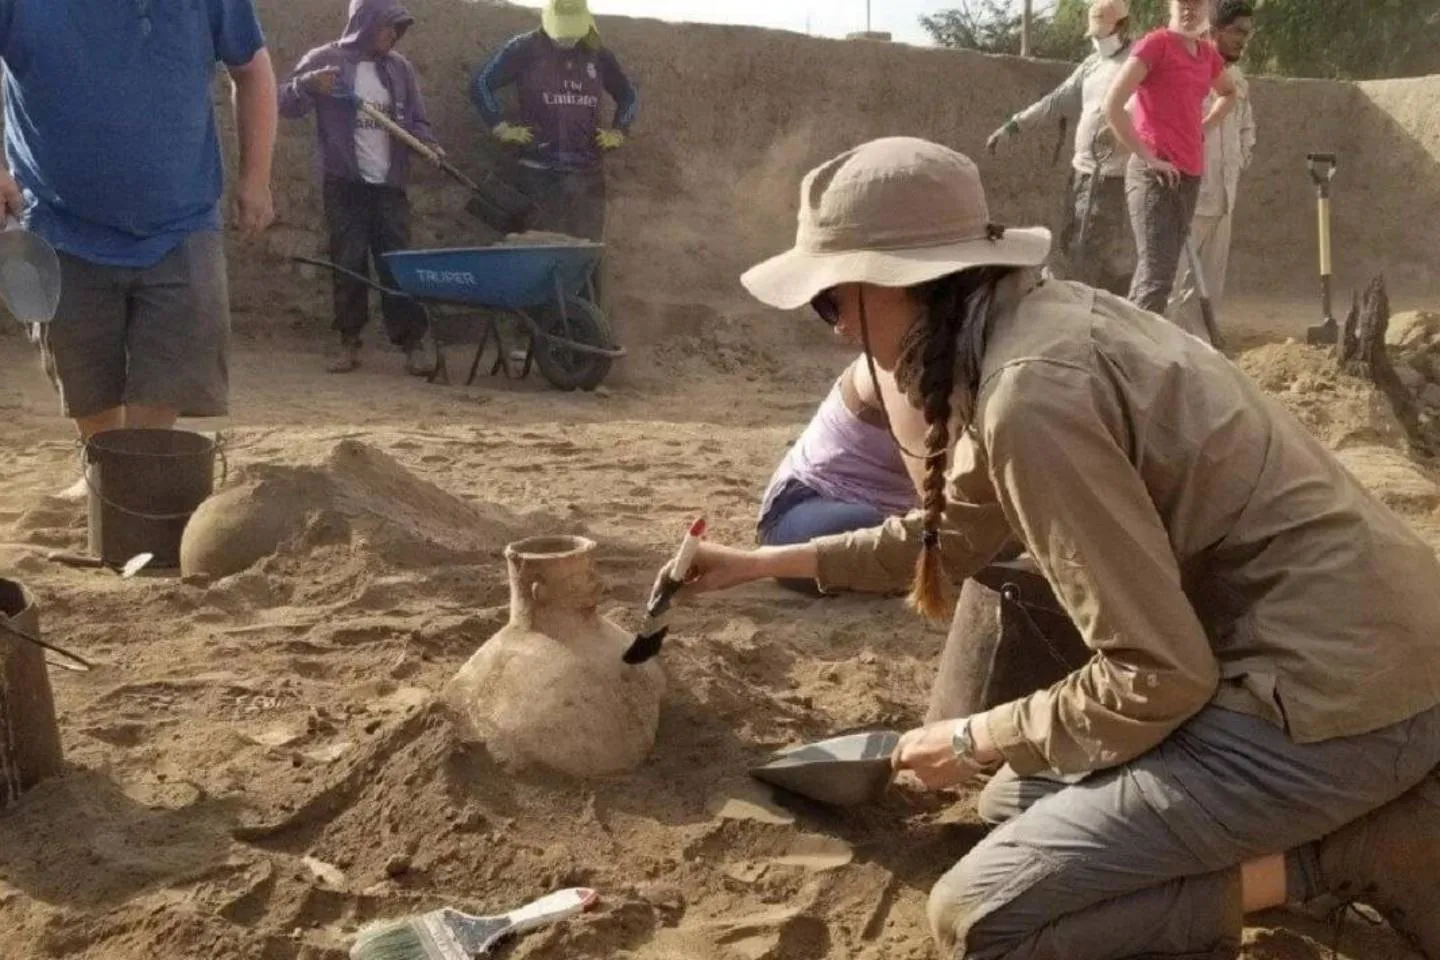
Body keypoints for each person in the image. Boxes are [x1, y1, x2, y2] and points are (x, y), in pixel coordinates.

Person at [674, 137, 1440, 959]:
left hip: (1341, 705)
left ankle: (1343, 857)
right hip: (1346, 658)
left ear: (908, 285)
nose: (837, 333)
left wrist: (969, 737)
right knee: (1014, 802)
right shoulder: (1028, 325)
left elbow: (1155, 675)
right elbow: (939, 540)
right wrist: (755, 565)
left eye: (835, 302)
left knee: (984, 917)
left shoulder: (1032, 396)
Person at [0, 0, 277, 496]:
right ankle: (106, 466)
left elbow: (252, 70)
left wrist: (257, 179)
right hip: (60, 220)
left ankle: (135, 465)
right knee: (81, 369)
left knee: (173, 364)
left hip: (181, 219)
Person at [280, 0, 440, 377]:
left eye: (397, 28)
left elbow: (417, 120)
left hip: (389, 183)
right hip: (345, 184)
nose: (393, 35)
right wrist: (307, 84)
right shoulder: (327, 60)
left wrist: (428, 144)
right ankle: (348, 343)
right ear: (365, 23)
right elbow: (284, 100)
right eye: (387, 26)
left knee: (397, 265)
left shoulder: (400, 69)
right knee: (349, 263)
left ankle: (411, 343)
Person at [986, 0, 1136, 296]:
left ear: (1123, 26)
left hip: (1112, 177)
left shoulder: (1139, 61)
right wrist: (1013, 125)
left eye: (1104, 34)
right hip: (1082, 172)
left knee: (1093, 249)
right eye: (1095, 35)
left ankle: (1094, 310)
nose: (1098, 40)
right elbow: (1056, 102)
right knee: (1072, 243)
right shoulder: (1092, 64)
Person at [1105, 0, 1238, 315]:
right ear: (1171, 5)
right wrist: (1149, 157)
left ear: (1210, 9)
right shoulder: (1156, 45)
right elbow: (1113, 105)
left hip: (1189, 174)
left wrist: (1204, 127)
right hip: (1154, 175)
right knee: (1157, 274)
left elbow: (1229, 93)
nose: (1190, 9)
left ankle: (1130, 343)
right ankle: (1134, 353)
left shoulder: (1207, 55)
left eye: (1198, 3)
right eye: (1184, 2)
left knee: (1158, 272)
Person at [470, 0, 637, 246]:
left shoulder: (598, 54)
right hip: (538, 172)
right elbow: (481, 84)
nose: (566, 39)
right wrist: (500, 126)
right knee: (536, 248)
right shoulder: (524, 48)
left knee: (587, 251)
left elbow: (628, 95)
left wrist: (619, 132)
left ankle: (586, 285)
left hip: (586, 175)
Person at [757, 357, 920, 593]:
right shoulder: (888, 369)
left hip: (887, 513)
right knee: (922, 538)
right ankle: (752, 565)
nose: (839, 329)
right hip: (802, 513)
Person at [1166, 0, 1257, 340]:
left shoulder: (1236, 78)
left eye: (1248, 33)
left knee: (1209, 286)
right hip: (1189, 193)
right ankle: (1164, 349)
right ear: (1215, 29)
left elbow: (1247, 129)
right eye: (1238, 32)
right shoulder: (1186, 69)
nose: (1243, 40)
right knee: (1172, 281)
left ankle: (1199, 350)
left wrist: (1239, 161)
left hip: (1223, 199)